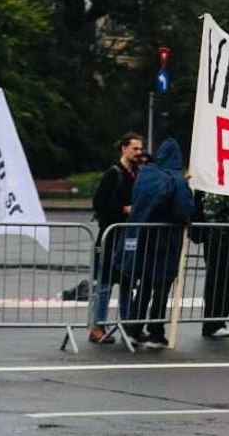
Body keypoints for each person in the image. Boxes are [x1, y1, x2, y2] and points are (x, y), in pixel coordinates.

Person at [114, 138, 194, 349]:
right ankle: (156, 332)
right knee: (161, 286)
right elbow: (182, 210)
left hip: (145, 236)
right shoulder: (176, 179)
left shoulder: (147, 174)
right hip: (166, 240)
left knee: (145, 284)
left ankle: (133, 328)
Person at [88, 132, 143, 344]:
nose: (139, 153)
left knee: (129, 282)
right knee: (105, 283)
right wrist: (123, 209)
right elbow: (99, 203)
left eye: (140, 149)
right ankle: (98, 326)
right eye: (135, 149)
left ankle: (128, 326)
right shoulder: (113, 174)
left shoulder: (136, 174)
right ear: (124, 149)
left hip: (129, 236)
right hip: (111, 236)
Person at [191, 191, 229, 340]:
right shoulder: (215, 190)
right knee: (219, 282)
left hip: (221, 239)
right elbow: (212, 215)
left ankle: (217, 321)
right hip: (219, 240)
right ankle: (213, 323)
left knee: (222, 281)